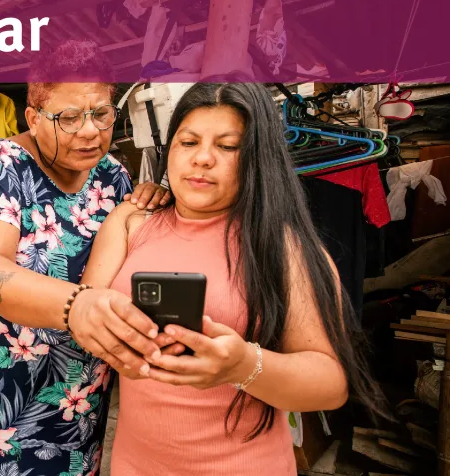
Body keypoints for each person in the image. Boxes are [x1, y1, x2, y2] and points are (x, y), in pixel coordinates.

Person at [79, 82, 387, 475]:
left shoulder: (280, 244)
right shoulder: (131, 221)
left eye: (227, 147)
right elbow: (85, 312)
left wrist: (243, 365)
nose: (202, 159)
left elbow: (330, 385)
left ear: (258, 159)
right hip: (136, 464)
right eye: (188, 142)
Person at [0, 40, 169, 476]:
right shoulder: (0, 166)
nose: (90, 131)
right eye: (69, 118)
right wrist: (77, 306)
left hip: (75, 398)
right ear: (34, 119)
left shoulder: (113, 175)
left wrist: (152, 203)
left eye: (101, 113)